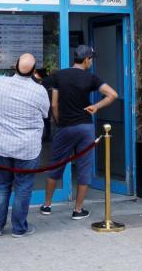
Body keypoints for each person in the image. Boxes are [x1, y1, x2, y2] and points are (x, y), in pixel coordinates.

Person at [41, 45, 117, 219]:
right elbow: (112, 94)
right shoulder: (91, 78)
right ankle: (78, 210)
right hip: (85, 127)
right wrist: (96, 107)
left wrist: (59, 122)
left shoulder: (59, 76)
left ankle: (46, 205)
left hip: (65, 127)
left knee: (55, 165)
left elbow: (54, 104)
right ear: (86, 59)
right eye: (91, 59)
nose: (91, 62)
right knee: (84, 167)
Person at [0, 54, 50, 238]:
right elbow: (46, 114)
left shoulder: (1, 84)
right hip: (27, 147)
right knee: (23, 187)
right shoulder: (39, 91)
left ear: (14, 66)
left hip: (3, 144)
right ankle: (18, 228)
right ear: (34, 71)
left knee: (1, 185)